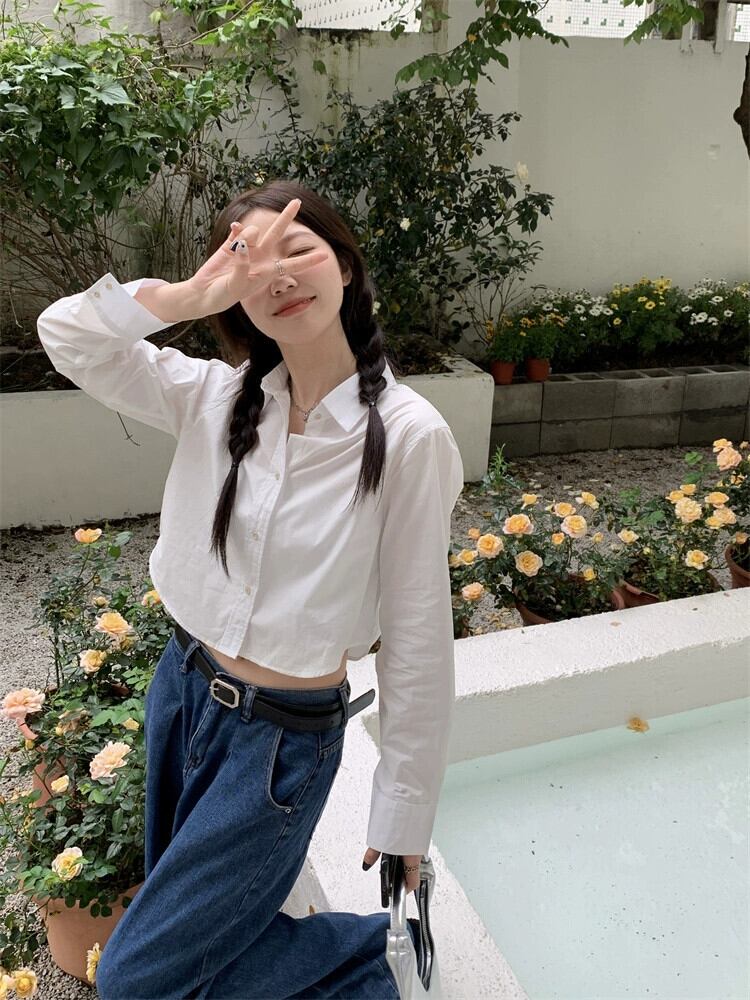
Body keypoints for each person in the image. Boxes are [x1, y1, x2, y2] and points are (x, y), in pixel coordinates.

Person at [36, 179, 464, 999]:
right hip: (181, 693)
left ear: (345, 265)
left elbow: (417, 636)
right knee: (207, 946)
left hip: (279, 744)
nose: (279, 277)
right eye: (251, 264)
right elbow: (67, 336)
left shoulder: (408, 436)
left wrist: (405, 812)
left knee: (135, 978)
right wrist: (187, 296)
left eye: (297, 250)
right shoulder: (215, 396)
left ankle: (373, 957)